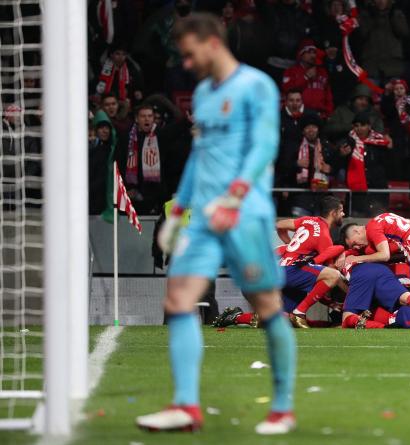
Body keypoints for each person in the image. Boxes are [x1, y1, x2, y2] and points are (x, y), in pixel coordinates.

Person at [135, 13, 297, 435]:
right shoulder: (204, 94)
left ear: (210, 42)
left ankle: (282, 408)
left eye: (189, 54)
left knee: (267, 308)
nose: (185, 64)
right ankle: (186, 406)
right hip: (204, 219)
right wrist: (175, 213)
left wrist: (236, 195)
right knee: (179, 300)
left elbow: (266, 145)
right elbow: (199, 158)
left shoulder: (256, 85)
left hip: (246, 215)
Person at [274, 195, 347, 327]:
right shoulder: (324, 236)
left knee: (284, 321)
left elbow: (279, 225)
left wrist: (289, 245)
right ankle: (299, 312)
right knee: (333, 275)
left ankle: (237, 317)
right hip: (292, 271)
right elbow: (330, 272)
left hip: (281, 270)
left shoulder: (307, 220)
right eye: (341, 210)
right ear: (333, 213)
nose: (343, 214)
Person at [338, 112, 392, 217]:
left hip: (377, 195)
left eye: (362, 125)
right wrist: (342, 155)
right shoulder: (347, 143)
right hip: (357, 198)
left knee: (378, 227)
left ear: (369, 126)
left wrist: (390, 150)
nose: (359, 129)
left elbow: (390, 166)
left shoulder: (380, 143)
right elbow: (339, 166)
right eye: (356, 126)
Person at [282, 39, 334, 117]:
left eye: (314, 52)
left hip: (320, 115)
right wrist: (305, 77)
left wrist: (329, 113)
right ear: (301, 55)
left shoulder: (322, 72)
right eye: (309, 52)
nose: (313, 55)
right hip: (298, 114)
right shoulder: (291, 71)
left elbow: (328, 95)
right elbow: (287, 89)